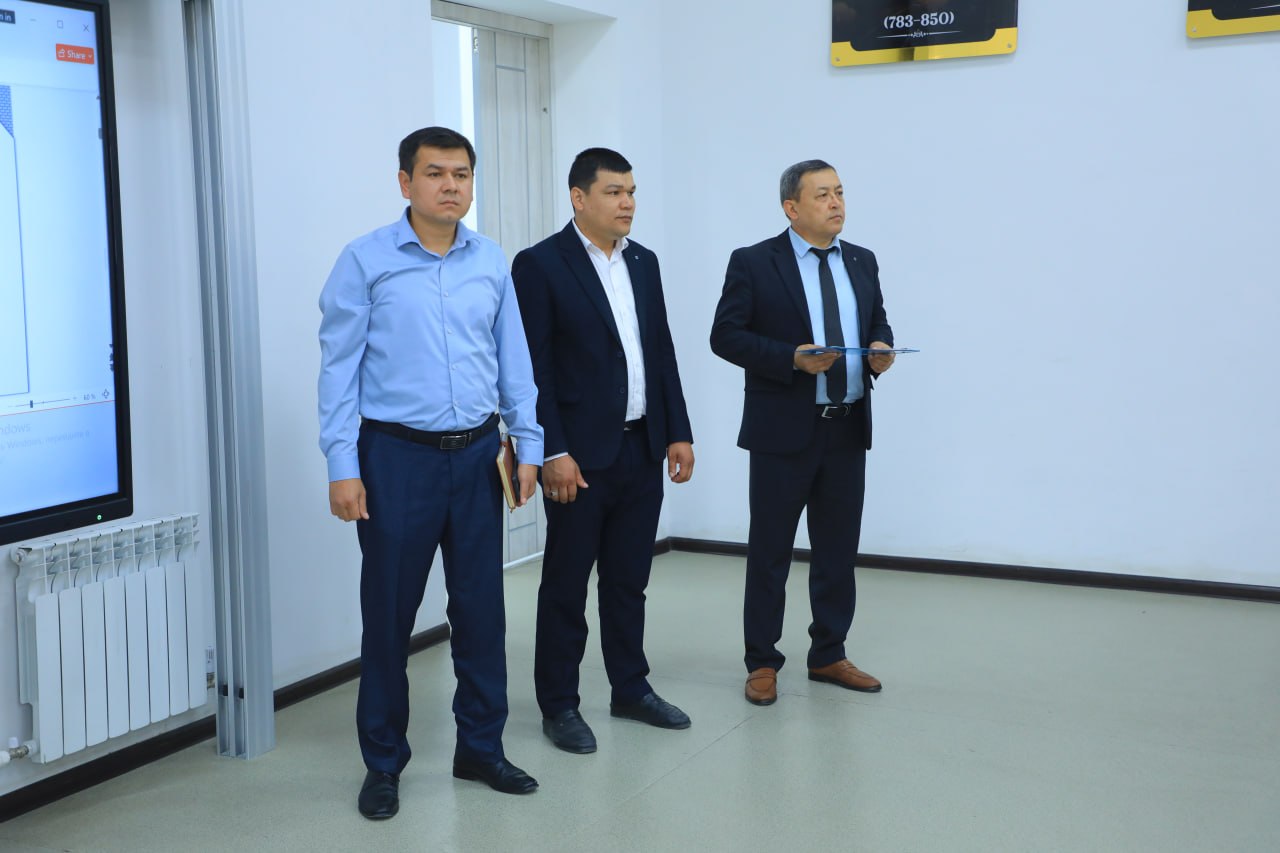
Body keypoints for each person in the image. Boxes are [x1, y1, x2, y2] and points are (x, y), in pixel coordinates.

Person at [318, 127, 544, 819]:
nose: (451, 185)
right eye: (436, 173)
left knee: (481, 610)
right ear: (405, 182)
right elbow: (338, 370)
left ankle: (480, 747)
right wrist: (342, 464)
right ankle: (383, 762)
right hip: (396, 460)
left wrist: (529, 443)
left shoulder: (490, 260)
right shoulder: (366, 260)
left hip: (478, 456)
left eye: (462, 174)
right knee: (389, 615)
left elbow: (513, 360)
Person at [512, 148, 695, 754]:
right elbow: (534, 367)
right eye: (615, 192)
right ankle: (559, 704)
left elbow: (660, 350)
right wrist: (552, 449)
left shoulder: (643, 262)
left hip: (642, 447)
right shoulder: (540, 265)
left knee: (628, 580)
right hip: (579, 459)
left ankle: (630, 688)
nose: (627, 203)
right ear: (579, 197)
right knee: (566, 584)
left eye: (632, 192)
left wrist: (678, 430)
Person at [709, 159, 896, 707]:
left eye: (840, 192)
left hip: (847, 427)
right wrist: (790, 358)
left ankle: (829, 653)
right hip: (782, 433)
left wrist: (881, 346)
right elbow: (725, 336)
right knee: (770, 552)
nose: (836, 203)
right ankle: (762, 662)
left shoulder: (861, 260)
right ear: (791, 208)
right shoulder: (753, 262)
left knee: (837, 550)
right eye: (822, 195)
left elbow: (877, 320)